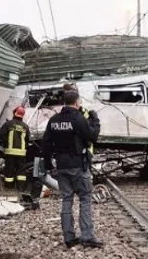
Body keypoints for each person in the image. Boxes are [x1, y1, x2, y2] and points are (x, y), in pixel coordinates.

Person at [41, 90, 103, 248]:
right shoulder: (78, 118)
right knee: (85, 198)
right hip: (78, 165)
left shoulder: (54, 120)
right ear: (76, 102)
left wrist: (48, 164)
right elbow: (92, 136)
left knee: (67, 199)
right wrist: (95, 120)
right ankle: (87, 237)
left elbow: (46, 144)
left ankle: (69, 237)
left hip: (61, 165)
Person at [0, 105, 30, 193]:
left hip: (10, 153)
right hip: (21, 154)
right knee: (21, 172)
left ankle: (9, 189)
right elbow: (27, 140)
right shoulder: (25, 126)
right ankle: (21, 189)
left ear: (14, 113)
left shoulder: (8, 124)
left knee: (9, 171)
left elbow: (1, 135)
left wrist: (5, 144)